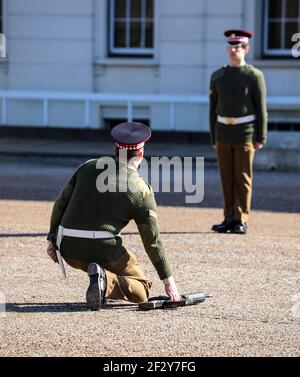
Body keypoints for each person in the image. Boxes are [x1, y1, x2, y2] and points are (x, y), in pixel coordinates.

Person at [46, 121, 181, 310]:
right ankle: (105, 282)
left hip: (68, 249)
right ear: (141, 154)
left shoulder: (87, 167)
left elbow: (60, 203)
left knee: (102, 256)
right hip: (103, 249)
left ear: (115, 150)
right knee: (141, 289)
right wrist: (168, 281)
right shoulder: (140, 189)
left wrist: (52, 240)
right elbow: (152, 241)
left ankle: (100, 278)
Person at [209, 29, 268, 234]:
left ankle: (241, 218)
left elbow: (261, 109)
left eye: (238, 47)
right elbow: (212, 109)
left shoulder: (254, 76)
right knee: (226, 177)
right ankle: (228, 217)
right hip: (223, 132)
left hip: (245, 133)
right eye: (231, 47)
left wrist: (261, 136)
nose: (234, 51)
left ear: (246, 49)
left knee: (242, 177)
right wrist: (213, 136)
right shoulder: (218, 76)